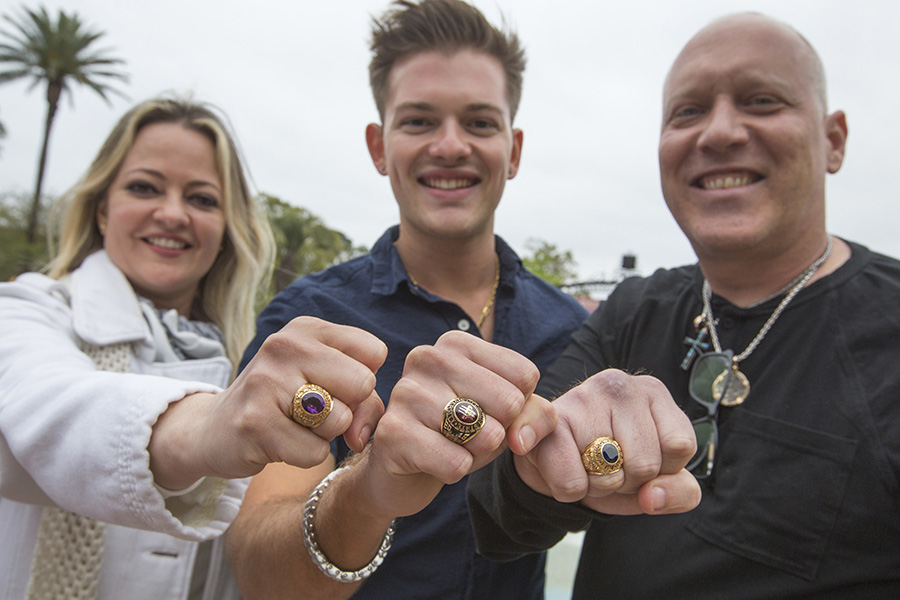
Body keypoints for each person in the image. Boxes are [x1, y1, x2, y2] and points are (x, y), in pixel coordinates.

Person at [467, 11, 900, 598]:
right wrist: (547, 458)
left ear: (834, 140)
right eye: (688, 111)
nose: (719, 133)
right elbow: (501, 513)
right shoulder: (634, 308)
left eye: (763, 101)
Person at [226, 1, 594, 598]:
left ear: (514, 149)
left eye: (479, 123)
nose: (450, 146)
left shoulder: (572, 329)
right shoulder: (306, 323)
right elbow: (260, 573)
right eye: (419, 121)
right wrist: (366, 489)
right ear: (379, 146)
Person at [0, 97, 389, 600]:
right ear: (102, 209)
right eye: (144, 188)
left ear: (227, 228)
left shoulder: (255, 358)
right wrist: (210, 426)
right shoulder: (25, 310)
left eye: (202, 199)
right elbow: (40, 412)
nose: (172, 214)